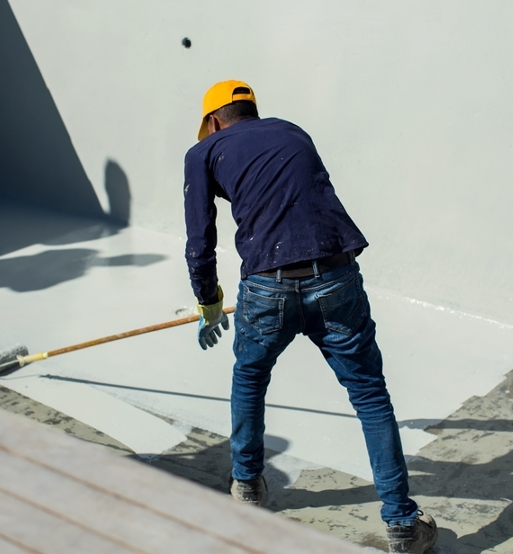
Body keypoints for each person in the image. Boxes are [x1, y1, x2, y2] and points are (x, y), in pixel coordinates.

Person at [182, 80, 438, 553]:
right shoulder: (294, 132)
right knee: (370, 395)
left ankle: (246, 489)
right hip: (335, 276)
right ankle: (403, 523)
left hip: (265, 286)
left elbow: (200, 241)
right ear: (251, 110)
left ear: (214, 122)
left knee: (250, 379)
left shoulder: (204, 152)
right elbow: (305, 201)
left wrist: (209, 301)